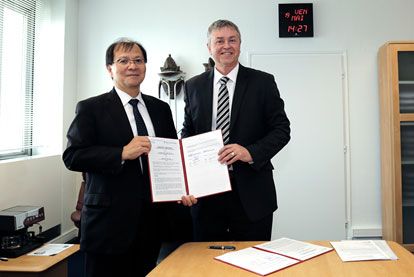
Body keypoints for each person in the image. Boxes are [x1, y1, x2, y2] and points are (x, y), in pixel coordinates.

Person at [63, 39, 181, 277]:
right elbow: (73, 156)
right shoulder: (91, 108)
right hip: (108, 225)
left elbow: (172, 157)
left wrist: (183, 188)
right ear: (110, 69)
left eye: (138, 60)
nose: (132, 66)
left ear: (145, 67)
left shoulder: (161, 109)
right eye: (124, 61)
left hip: (153, 222)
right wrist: (121, 153)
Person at [181, 19, 291, 242]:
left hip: (252, 194)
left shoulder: (262, 82)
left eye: (232, 40)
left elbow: (282, 129)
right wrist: (187, 179)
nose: (226, 46)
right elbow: (187, 133)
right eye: (219, 41)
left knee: (253, 261)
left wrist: (250, 152)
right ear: (209, 48)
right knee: (206, 264)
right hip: (206, 194)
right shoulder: (193, 86)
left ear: (240, 44)